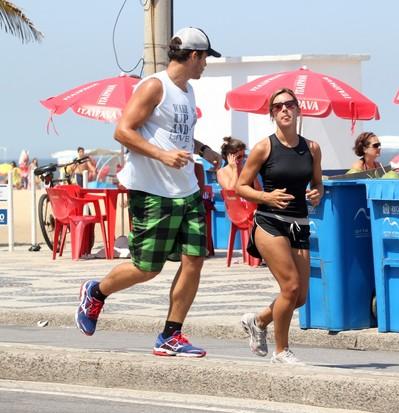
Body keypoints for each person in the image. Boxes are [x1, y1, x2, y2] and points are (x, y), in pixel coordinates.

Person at [75, 27, 222, 357]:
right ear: (194, 56)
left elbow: (175, 136)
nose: (206, 66)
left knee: (195, 260)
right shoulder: (155, 86)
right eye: (205, 59)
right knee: (147, 268)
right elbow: (122, 131)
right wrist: (162, 155)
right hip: (153, 192)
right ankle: (96, 291)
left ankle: (171, 334)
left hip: (187, 190)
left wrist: (205, 150)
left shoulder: (187, 91)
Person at [236, 88, 323, 364]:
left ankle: (258, 320)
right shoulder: (264, 147)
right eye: (278, 107)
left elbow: (317, 183)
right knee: (290, 287)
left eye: (289, 105)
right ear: (272, 114)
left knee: (299, 297)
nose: (284, 110)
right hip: (269, 222)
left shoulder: (312, 148)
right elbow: (240, 186)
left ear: (298, 110)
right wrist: (266, 197)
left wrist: (318, 193)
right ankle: (281, 351)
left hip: (299, 223)